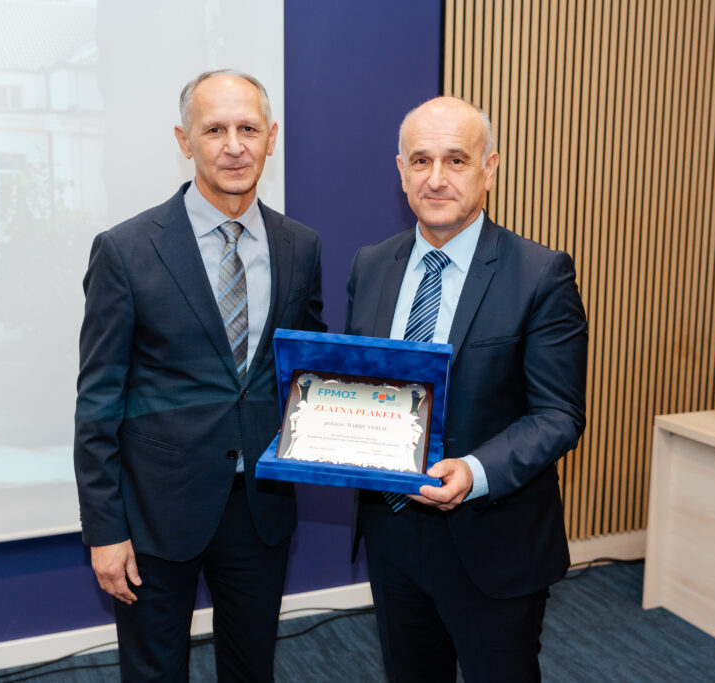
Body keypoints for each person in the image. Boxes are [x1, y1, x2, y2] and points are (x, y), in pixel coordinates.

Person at [74, 69, 325, 682]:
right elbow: (98, 401)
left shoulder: (301, 246)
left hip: (260, 509)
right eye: (214, 130)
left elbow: (306, 373)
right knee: (155, 673)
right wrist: (104, 530)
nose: (234, 146)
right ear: (185, 141)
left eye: (248, 129)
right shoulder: (126, 250)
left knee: (251, 667)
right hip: (157, 513)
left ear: (271, 137)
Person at [345, 96, 587, 682]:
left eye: (455, 160)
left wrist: (474, 472)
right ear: (401, 170)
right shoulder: (371, 264)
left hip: (492, 540)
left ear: (489, 167)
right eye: (420, 161)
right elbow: (359, 386)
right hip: (392, 534)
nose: (436, 178)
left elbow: (558, 415)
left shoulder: (541, 274)